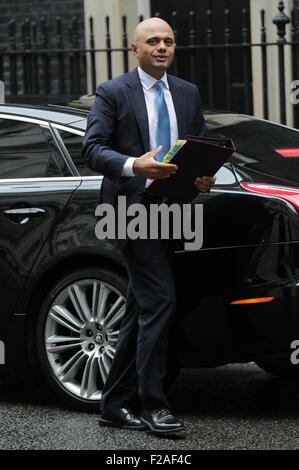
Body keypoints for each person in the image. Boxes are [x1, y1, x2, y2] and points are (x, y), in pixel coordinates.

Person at [82, 17, 216, 434]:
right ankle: (153, 404)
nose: (162, 47)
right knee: (160, 302)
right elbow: (92, 148)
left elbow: (199, 144)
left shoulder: (187, 93)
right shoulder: (113, 92)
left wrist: (203, 176)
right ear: (135, 49)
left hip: (173, 210)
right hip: (129, 209)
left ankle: (114, 403)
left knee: (142, 306)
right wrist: (132, 164)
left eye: (168, 41)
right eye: (153, 41)